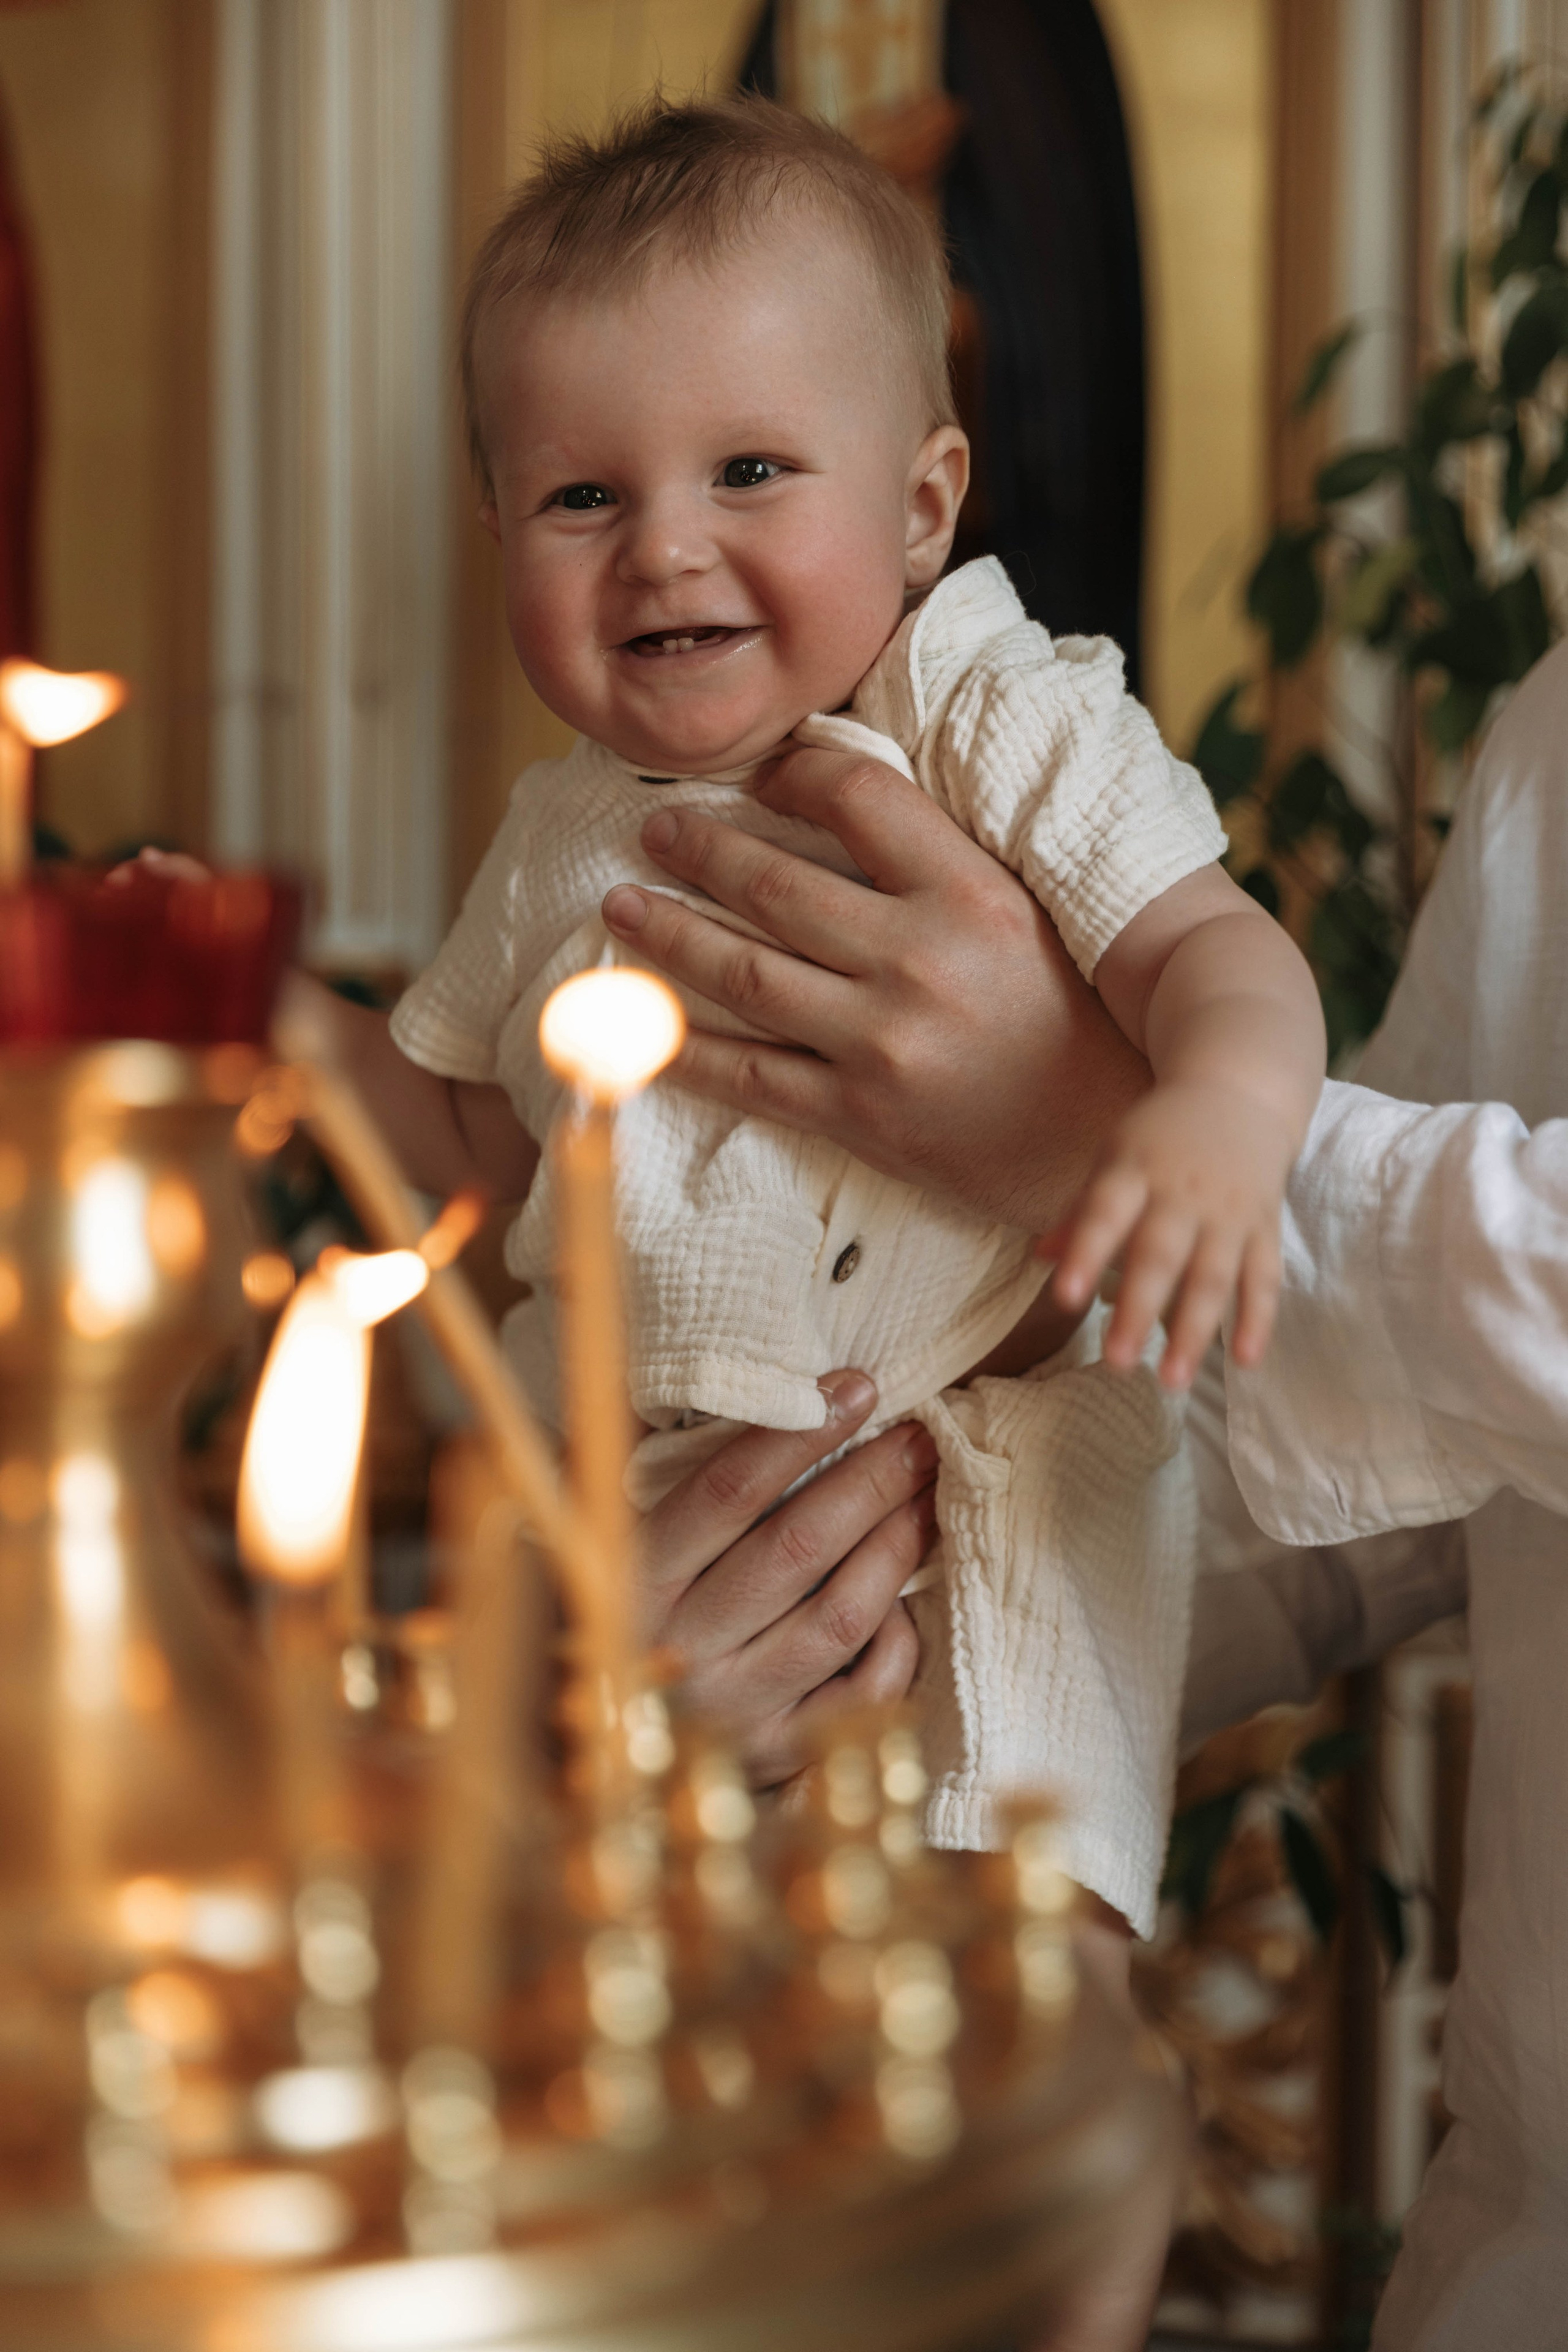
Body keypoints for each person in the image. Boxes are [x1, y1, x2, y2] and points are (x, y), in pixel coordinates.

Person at [313, 95, 1325, 1934]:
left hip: (974, 1511)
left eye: (750, 472)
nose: (665, 552)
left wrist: (1216, 1112)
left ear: (924, 501)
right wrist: (280, 1030)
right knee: (681, 2034)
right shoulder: (558, 836)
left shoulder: (985, 720)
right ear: (499, 528)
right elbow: (464, 1141)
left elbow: (1215, 955)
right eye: (583, 495)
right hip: (624, 1535)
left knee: (1009, 2001)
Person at [617, 643, 1568, 2350]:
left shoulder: (1020, 709)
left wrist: (1099, 1145)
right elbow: (1374, 1453)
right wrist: (845, 1609)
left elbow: (1301, 1207)